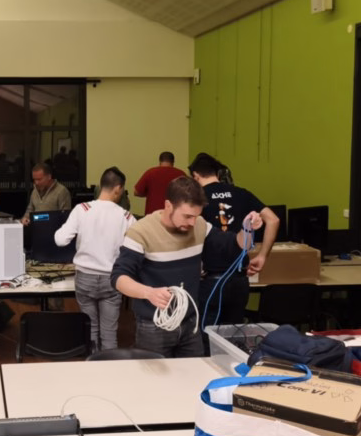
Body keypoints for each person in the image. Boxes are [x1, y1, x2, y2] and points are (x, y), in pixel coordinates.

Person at [112, 176, 262, 357]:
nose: (192, 222)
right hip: (154, 325)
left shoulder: (199, 226)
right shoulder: (141, 232)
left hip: (190, 323)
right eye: (187, 216)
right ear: (168, 206)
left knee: (193, 372)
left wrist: (247, 229)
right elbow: (119, 278)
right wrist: (149, 293)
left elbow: (234, 246)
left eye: (196, 216)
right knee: (155, 374)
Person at [188, 153, 281, 326]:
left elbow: (189, 230)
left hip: (211, 280)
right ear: (217, 173)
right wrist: (262, 256)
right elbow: (273, 220)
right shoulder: (241, 193)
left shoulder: (197, 198)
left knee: (206, 334)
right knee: (233, 334)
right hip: (239, 279)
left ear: (195, 176)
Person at [54, 167, 135, 351]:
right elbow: (136, 248)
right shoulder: (127, 217)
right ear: (118, 189)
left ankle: (92, 364)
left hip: (85, 278)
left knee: (90, 331)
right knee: (109, 334)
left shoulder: (82, 209)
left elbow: (60, 240)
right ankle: (108, 367)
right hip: (112, 279)